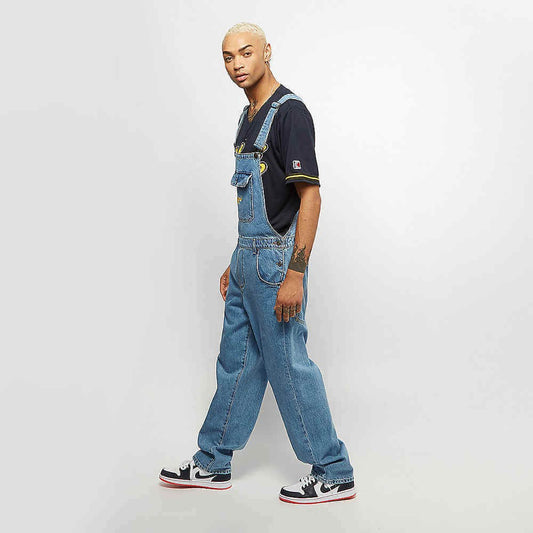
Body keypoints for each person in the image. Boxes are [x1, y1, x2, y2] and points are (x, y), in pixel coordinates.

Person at [159, 21, 356, 504]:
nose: (237, 65)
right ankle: (213, 462)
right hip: (248, 261)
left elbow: (309, 198)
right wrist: (238, 260)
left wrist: (295, 272)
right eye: (228, 57)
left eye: (245, 53)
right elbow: (259, 199)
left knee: (288, 364)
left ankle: (334, 470)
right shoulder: (247, 118)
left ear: (267, 52)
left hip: (276, 266)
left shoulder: (290, 113)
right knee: (236, 363)